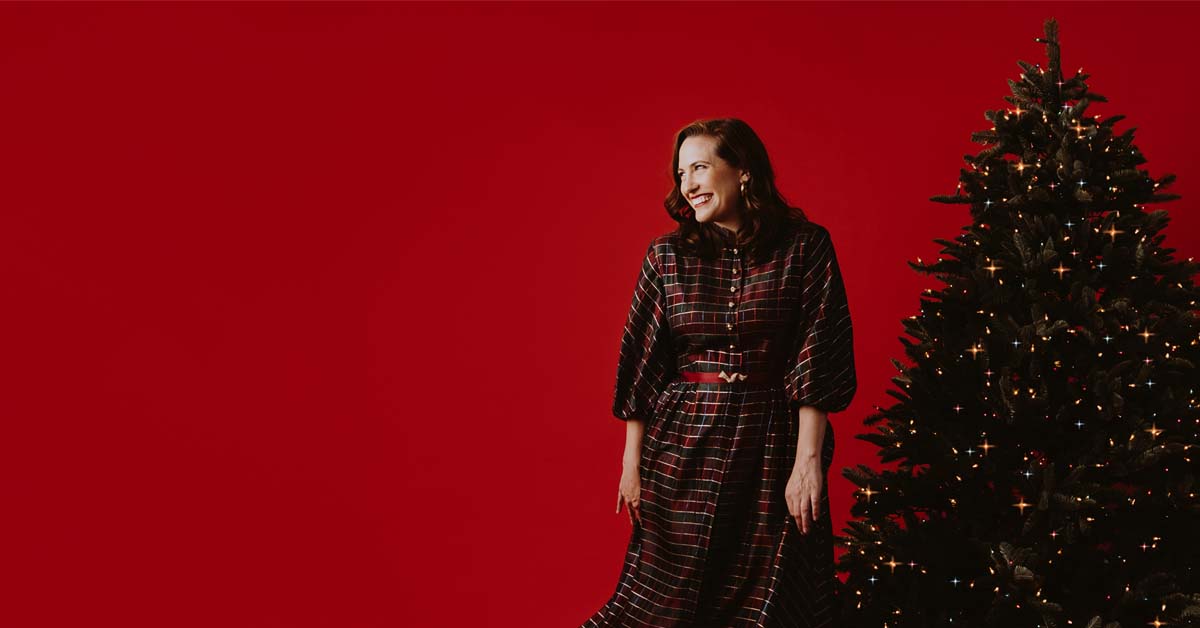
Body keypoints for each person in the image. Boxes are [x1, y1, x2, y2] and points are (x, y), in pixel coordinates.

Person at [581, 118, 857, 628]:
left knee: (778, 603)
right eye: (681, 173)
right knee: (665, 605)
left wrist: (809, 462)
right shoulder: (666, 255)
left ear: (744, 171)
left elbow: (818, 353)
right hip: (683, 445)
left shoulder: (806, 246)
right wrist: (631, 465)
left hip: (774, 443)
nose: (687, 185)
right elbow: (643, 365)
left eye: (701, 167)